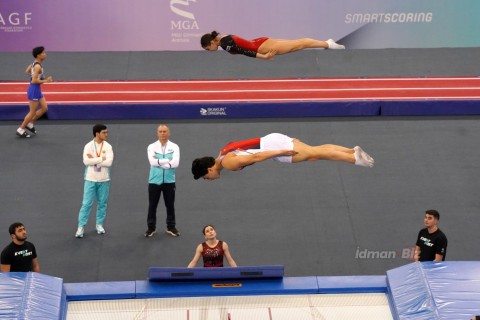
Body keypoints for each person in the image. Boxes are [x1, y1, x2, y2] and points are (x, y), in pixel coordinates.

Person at [192, 133, 374, 180]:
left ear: (209, 169)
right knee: (315, 152)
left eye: (206, 177)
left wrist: (281, 151)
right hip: (272, 140)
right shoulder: (223, 152)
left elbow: (256, 157)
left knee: (316, 153)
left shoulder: (229, 163)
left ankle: (356, 160)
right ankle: (351, 150)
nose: (209, 179)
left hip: (274, 147)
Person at [75, 124, 114, 238]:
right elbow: (86, 162)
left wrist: (94, 159)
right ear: (97, 134)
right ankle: (81, 226)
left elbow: (109, 163)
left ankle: (99, 224)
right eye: (104, 132)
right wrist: (102, 158)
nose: (106, 134)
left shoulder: (108, 146)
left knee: (102, 203)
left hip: (104, 179)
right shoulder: (88, 146)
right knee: (86, 204)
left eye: (106, 132)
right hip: (90, 179)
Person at [200, 31, 345, 60]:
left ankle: (328, 43)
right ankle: (327, 43)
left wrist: (263, 56)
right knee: (298, 44)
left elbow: (244, 51)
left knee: (299, 44)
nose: (209, 51)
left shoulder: (225, 44)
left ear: (212, 42)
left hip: (263, 47)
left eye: (208, 48)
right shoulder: (224, 37)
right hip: (261, 41)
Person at [144, 125, 180, 238]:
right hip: (154, 181)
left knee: (170, 205)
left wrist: (160, 161)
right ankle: (151, 228)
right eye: (160, 131)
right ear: (157, 133)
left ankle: (171, 227)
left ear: (169, 133)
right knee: (152, 206)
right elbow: (152, 162)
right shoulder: (151, 146)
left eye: (165, 131)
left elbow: (176, 163)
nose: (162, 133)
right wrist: (168, 161)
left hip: (169, 181)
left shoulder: (174, 147)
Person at [16, 46, 53, 138]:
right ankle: (20, 129)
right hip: (34, 90)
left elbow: (27, 71)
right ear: (38, 55)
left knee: (44, 108)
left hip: (37, 90)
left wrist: (36, 76)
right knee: (32, 112)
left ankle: (30, 124)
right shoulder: (37, 66)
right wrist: (46, 81)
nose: (45, 54)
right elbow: (34, 81)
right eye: (43, 53)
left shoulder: (34, 64)